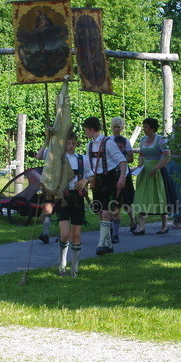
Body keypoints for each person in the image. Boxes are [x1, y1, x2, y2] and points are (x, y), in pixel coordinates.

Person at [83, 116, 128, 255]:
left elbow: (122, 160)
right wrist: (87, 180)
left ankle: (101, 244)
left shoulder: (108, 142)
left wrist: (121, 177)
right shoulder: (89, 145)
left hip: (110, 179)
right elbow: (88, 165)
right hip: (97, 180)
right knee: (100, 213)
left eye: (85, 130)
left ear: (91, 129)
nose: (85, 133)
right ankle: (108, 245)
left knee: (106, 212)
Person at [53, 130, 93, 276]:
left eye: (73, 143)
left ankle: (74, 268)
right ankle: (62, 263)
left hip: (77, 198)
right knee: (65, 234)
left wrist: (85, 180)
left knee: (76, 236)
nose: (71, 146)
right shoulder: (57, 159)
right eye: (68, 143)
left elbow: (91, 176)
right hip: (62, 198)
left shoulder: (83, 159)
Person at [132, 117, 172, 234]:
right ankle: (141, 227)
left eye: (146, 127)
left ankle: (165, 226)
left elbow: (167, 157)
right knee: (141, 197)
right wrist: (140, 164)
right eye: (143, 127)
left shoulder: (161, 139)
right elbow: (141, 154)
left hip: (157, 172)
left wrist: (156, 168)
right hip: (144, 172)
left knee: (159, 198)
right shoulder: (143, 139)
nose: (144, 129)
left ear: (152, 128)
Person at [109, 117, 137, 242]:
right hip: (111, 174)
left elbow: (130, 158)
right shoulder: (108, 140)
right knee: (113, 201)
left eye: (118, 127)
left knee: (126, 201)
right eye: (114, 127)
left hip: (124, 173)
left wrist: (122, 157)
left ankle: (132, 219)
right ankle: (112, 228)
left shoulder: (126, 141)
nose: (116, 129)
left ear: (122, 128)